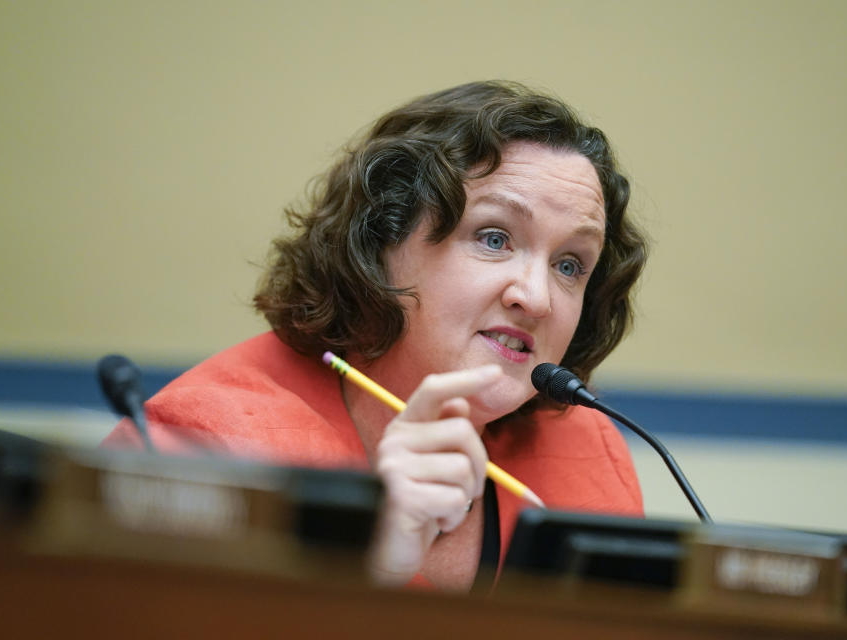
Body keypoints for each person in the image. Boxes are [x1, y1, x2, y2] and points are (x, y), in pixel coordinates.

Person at [104, 80, 649, 592]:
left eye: (571, 265)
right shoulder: (198, 447)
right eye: (493, 237)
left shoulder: (588, 452)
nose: (537, 297)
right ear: (379, 244)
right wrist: (378, 567)